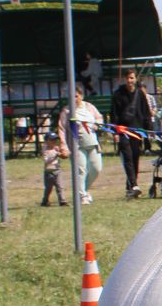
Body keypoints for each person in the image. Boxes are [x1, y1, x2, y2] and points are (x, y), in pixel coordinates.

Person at [110, 67, 155, 197]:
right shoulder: (118, 94)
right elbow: (114, 114)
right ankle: (134, 185)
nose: (129, 80)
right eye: (127, 78)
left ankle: (130, 186)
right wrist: (115, 132)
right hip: (123, 131)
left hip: (137, 131)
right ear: (124, 79)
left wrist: (149, 129)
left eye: (132, 78)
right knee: (128, 157)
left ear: (135, 79)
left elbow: (146, 112)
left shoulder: (140, 94)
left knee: (135, 157)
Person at [63, 84, 104, 206]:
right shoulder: (67, 111)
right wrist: (63, 145)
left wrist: (97, 124)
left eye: (77, 96)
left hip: (92, 143)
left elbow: (99, 118)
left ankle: (83, 190)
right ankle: (82, 196)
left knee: (96, 168)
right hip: (77, 145)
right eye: (72, 96)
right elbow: (62, 128)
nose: (75, 99)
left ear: (81, 96)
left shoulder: (89, 107)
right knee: (81, 170)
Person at [41, 125, 68, 207]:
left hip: (57, 170)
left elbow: (61, 155)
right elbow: (46, 160)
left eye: (55, 140)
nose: (53, 142)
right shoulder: (45, 150)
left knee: (60, 186)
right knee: (48, 189)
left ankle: (62, 201)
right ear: (46, 141)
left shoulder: (56, 148)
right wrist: (55, 155)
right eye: (51, 140)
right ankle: (45, 201)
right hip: (49, 172)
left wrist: (62, 154)